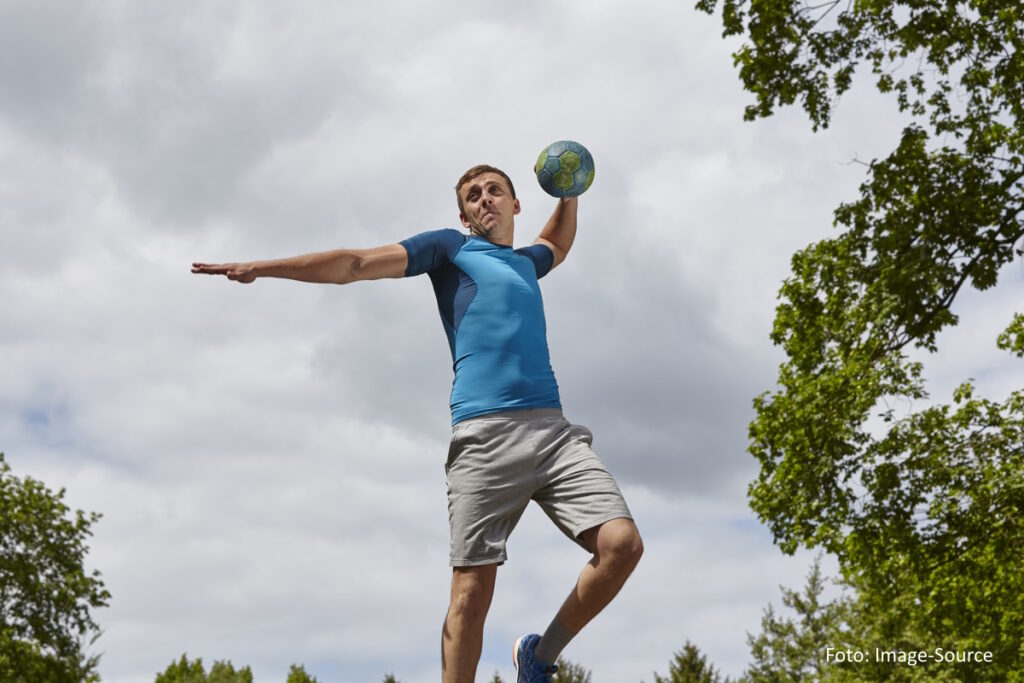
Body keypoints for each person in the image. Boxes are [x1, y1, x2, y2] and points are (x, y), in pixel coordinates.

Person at [192, 165, 643, 683]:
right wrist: (264, 267)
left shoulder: (525, 264)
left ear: (515, 205)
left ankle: (538, 659)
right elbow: (356, 264)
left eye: (495, 191)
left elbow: (556, 244)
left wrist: (569, 194)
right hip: (484, 439)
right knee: (471, 595)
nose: (485, 200)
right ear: (464, 215)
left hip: (553, 434)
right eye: (473, 196)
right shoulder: (451, 249)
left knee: (621, 545)